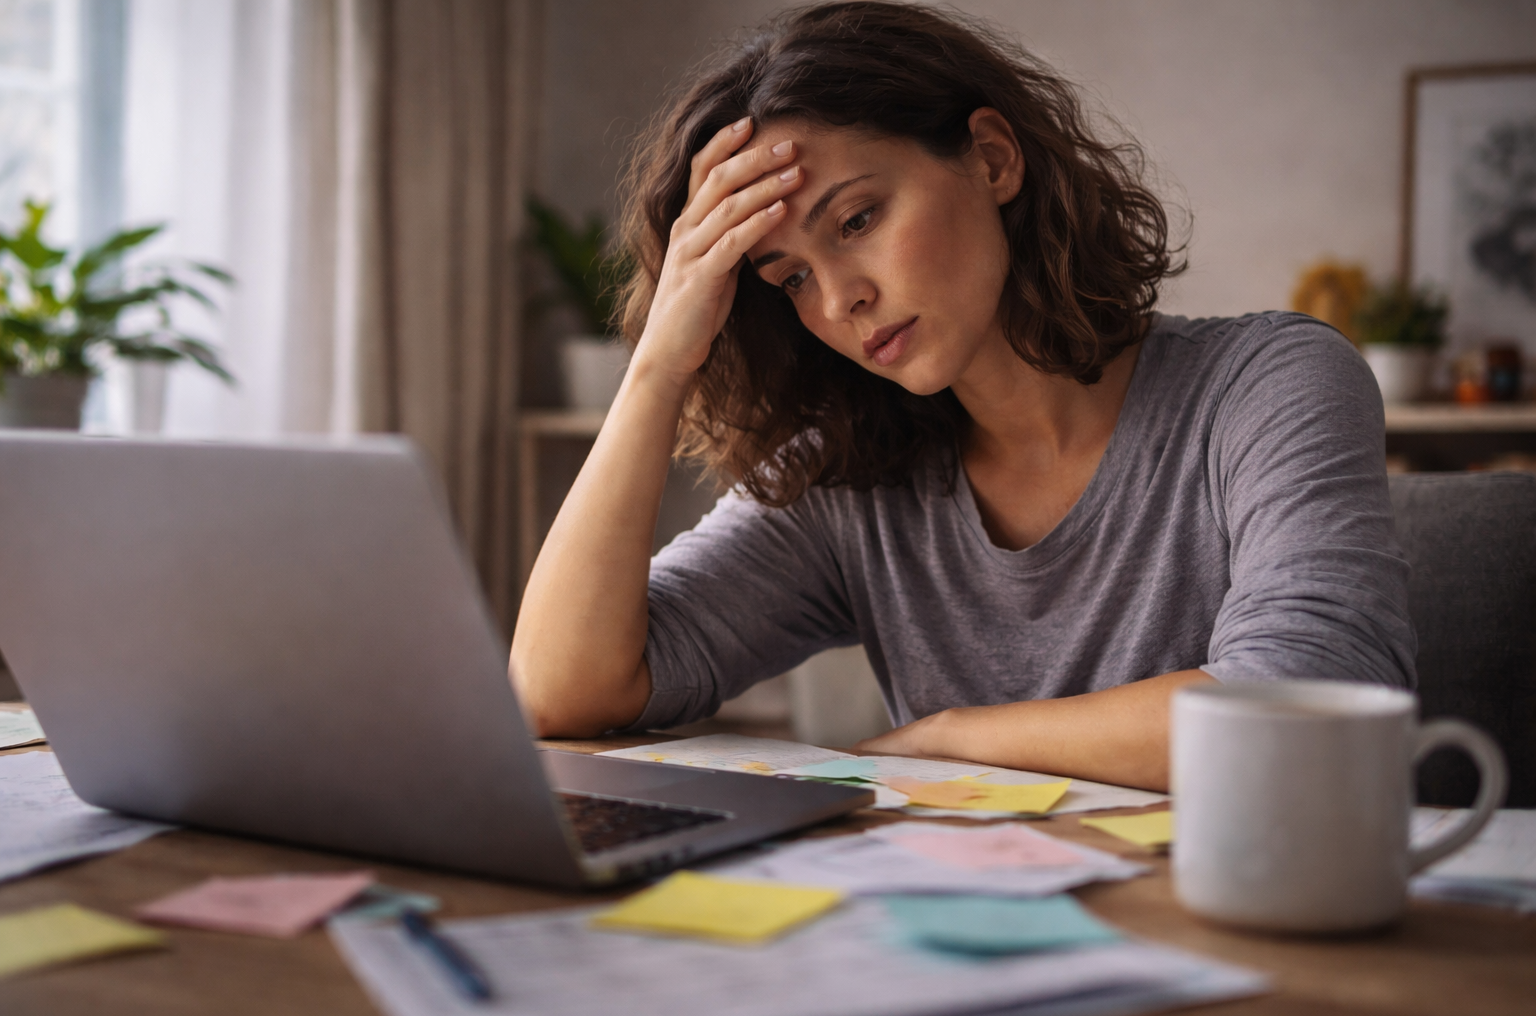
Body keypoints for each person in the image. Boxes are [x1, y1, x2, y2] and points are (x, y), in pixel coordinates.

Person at [510, 1, 1414, 792]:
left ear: (991, 158)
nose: (838, 300)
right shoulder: (849, 479)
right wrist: (661, 363)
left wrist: (954, 738)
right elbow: (563, 692)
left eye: (857, 221)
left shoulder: (1266, 384)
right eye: (788, 280)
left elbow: (1304, 703)